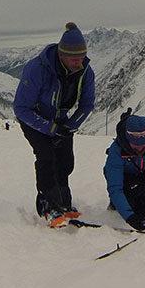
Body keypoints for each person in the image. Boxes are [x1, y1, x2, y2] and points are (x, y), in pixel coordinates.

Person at [14, 22, 95, 227]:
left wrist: (70, 126)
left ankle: (64, 204)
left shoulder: (85, 71)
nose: (79, 62)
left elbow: (87, 104)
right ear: (62, 55)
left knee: (65, 161)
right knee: (46, 157)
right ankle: (48, 205)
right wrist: (49, 128)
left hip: (61, 119)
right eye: (75, 59)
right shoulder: (37, 69)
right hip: (34, 119)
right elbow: (21, 108)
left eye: (82, 57)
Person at [104, 112, 145, 231]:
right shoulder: (116, 150)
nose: (140, 149)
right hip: (124, 177)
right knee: (133, 210)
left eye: (143, 144)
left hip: (143, 175)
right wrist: (130, 217)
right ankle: (115, 204)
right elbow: (115, 187)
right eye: (135, 144)